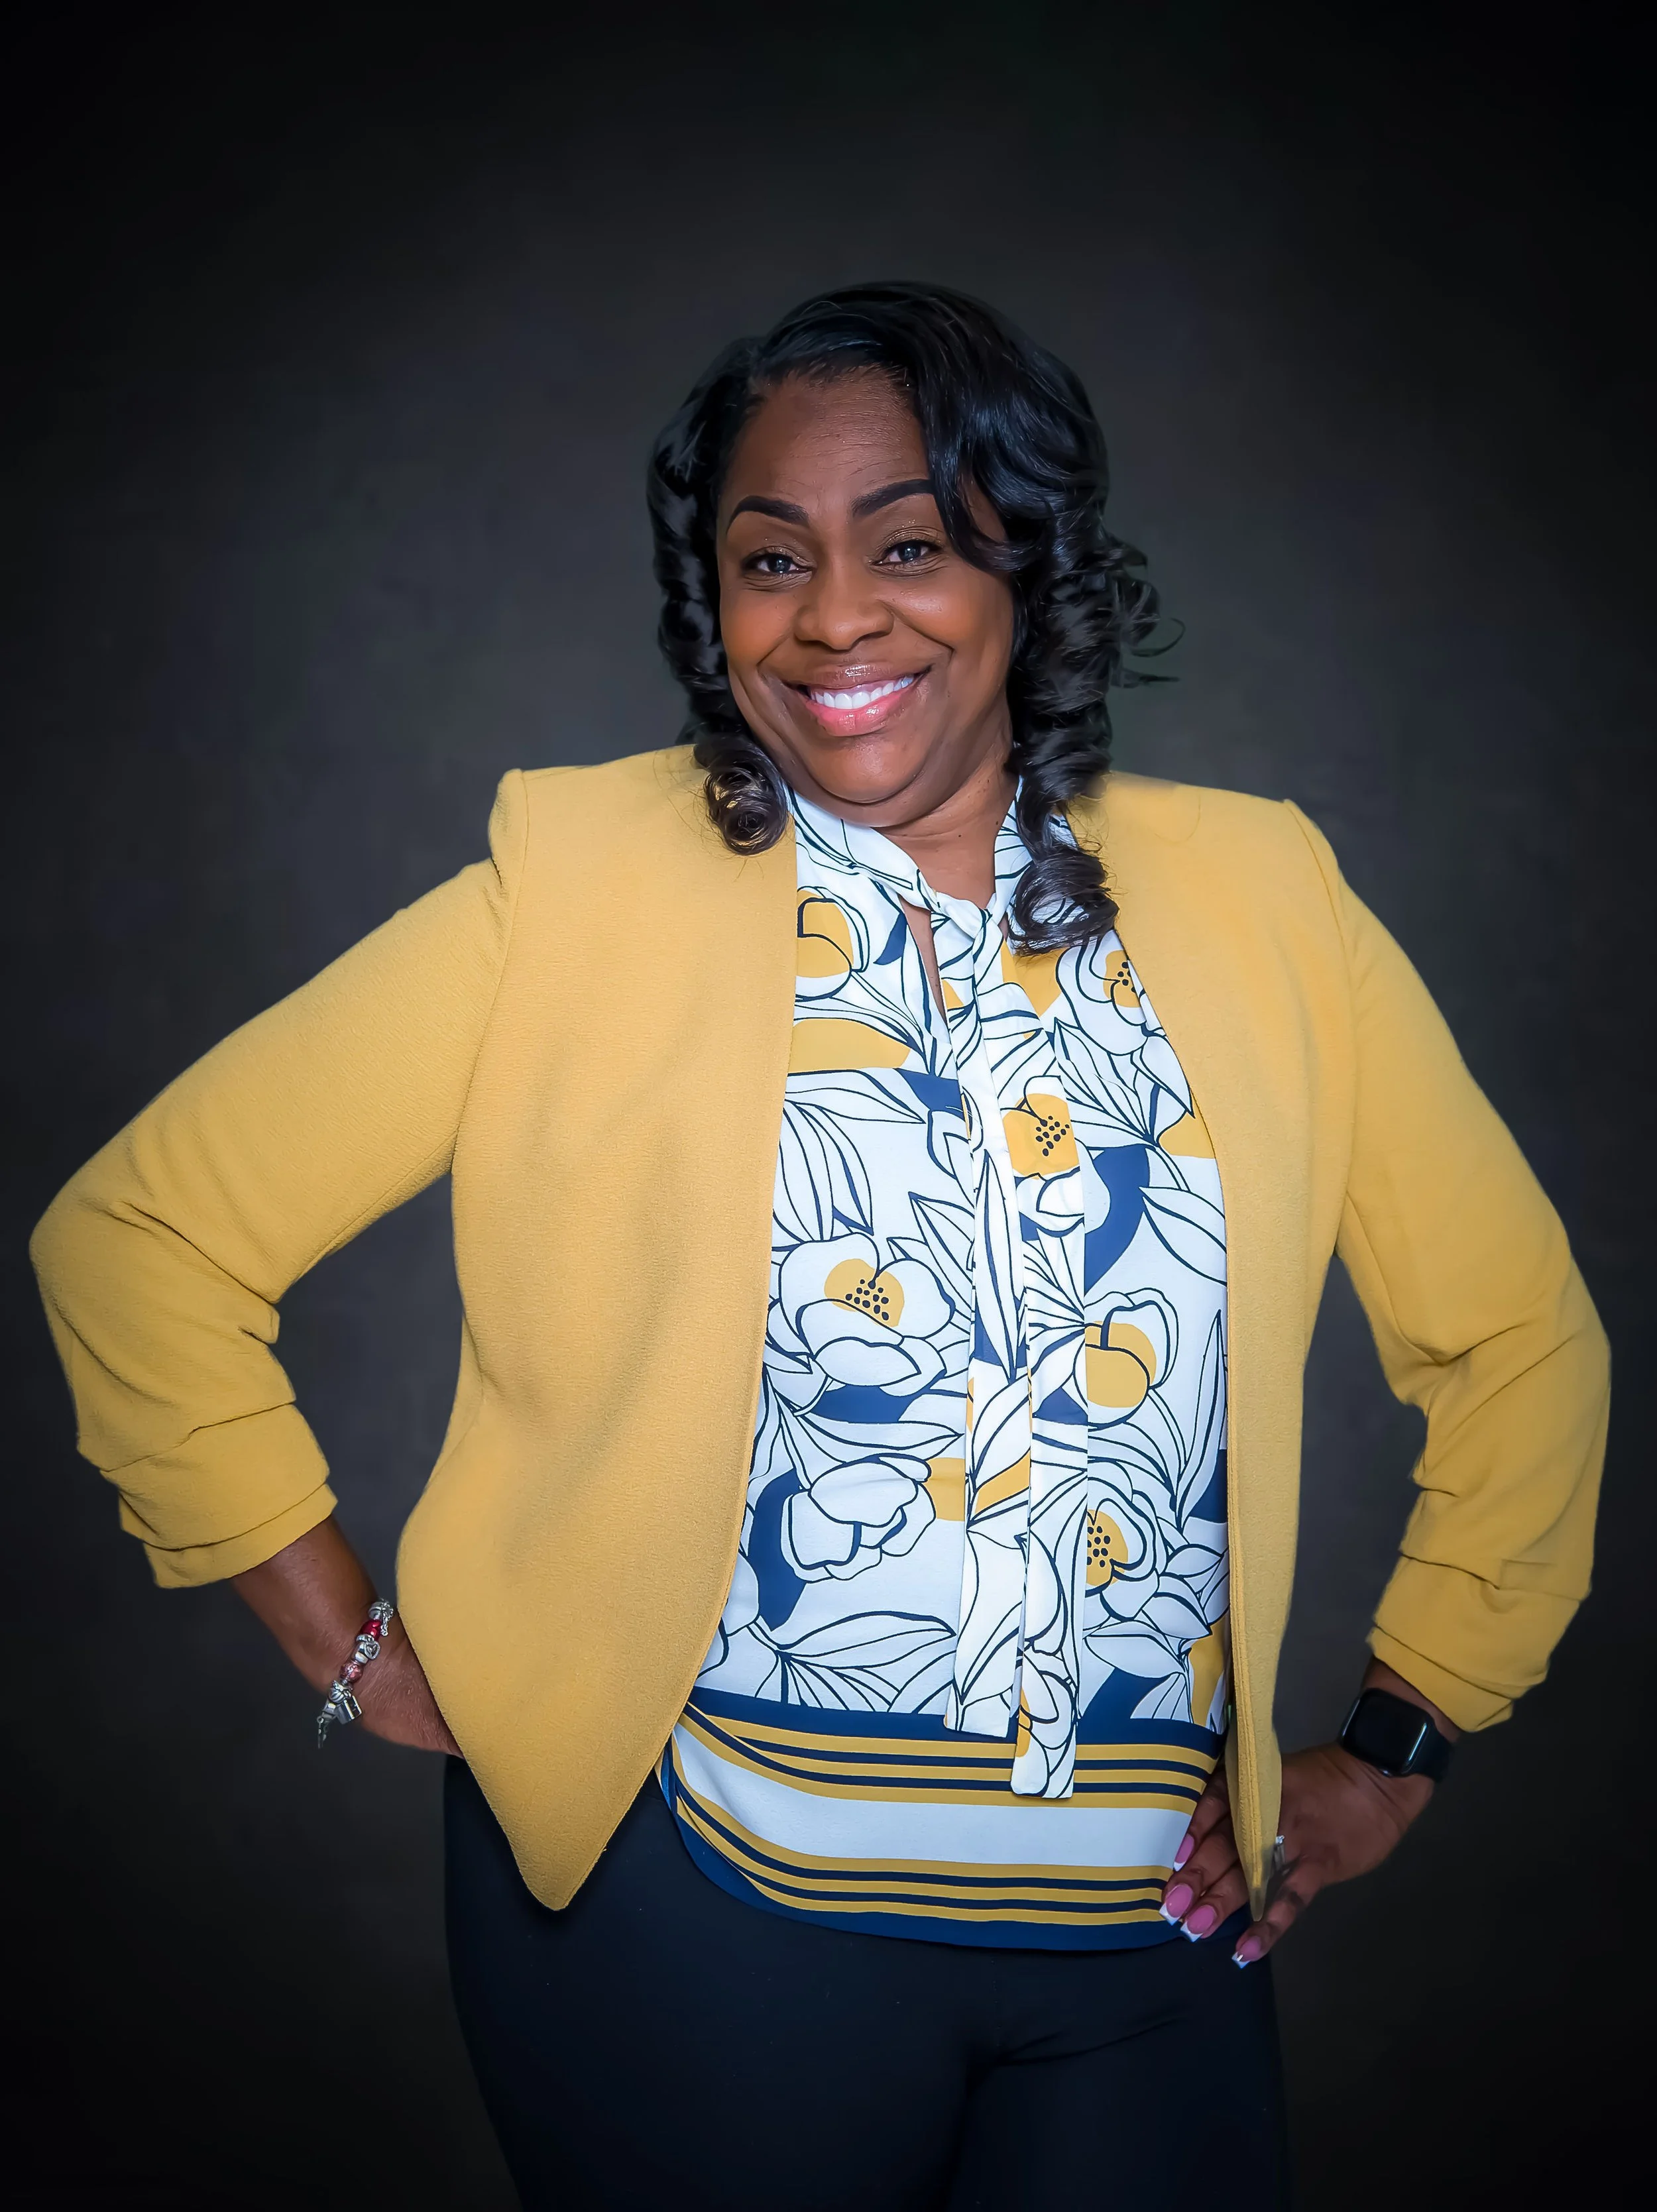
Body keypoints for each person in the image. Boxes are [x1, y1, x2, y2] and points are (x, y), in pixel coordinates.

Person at [31, 283, 1608, 2211]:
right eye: (770, 559)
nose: (835, 616)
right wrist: (352, 1653)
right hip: (686, 1933)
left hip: (1150, 1952)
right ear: (718, 603)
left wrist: (1400, 1731)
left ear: (1026, 558)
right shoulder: (579, 884)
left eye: (911, 546)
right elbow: (148, 1238)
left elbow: (1519, 1336)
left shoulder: (1261, 894)